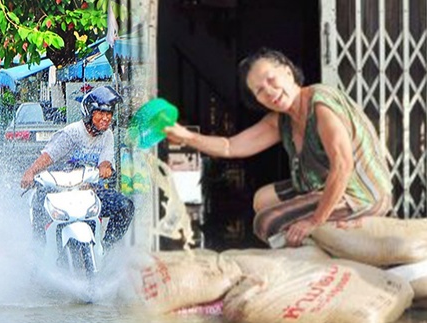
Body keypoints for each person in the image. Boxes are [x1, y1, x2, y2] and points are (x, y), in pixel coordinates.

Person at [165, 48, 393, 247]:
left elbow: (342, 166)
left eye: (271, 79)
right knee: (262, 199)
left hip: (360, 194)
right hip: (321, 187)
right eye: (260, 91)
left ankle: (312, 257)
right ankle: (312, 239)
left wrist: (314, 221)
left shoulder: (320, 104)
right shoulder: (281, 120)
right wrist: (186, 137)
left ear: (287, 71)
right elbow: (230, 146)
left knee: (267, 222)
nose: (270, 92)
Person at [20, 85, 135, 250]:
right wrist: (30, 172)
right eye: (100, 113)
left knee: (125, 206)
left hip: (90, 191)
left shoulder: (107, 135)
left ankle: (106, 248)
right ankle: (38, 254)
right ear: (89, 113)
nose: (105, 118)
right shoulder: (72, 132)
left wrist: (105, 168)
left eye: (108, 114)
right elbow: (48, 157)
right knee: (39, 204)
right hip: (61, 192)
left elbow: (105, 161)